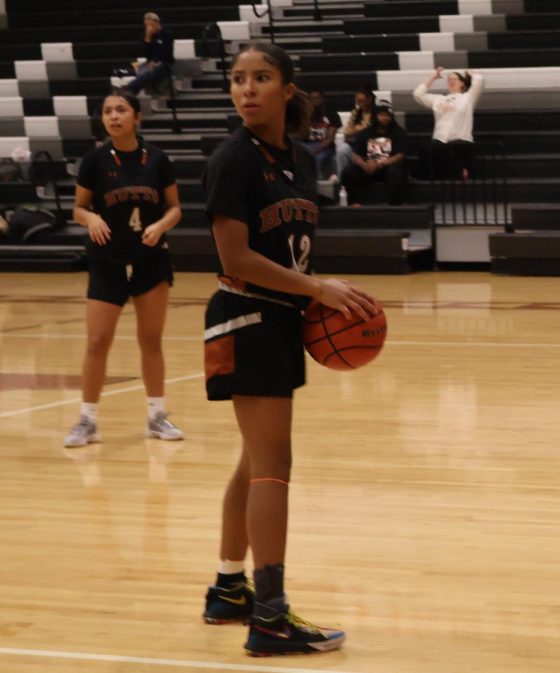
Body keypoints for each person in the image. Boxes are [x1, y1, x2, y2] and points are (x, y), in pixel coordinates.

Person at [199, 41, 377, 656]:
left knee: (254, 461)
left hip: (275, 318)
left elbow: (288, 250)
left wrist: (313, 300)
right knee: (275, 463)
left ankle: (229, 588)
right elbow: (236, 258)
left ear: (286, 89)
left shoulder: (299, 161)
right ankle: (271, 618)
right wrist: (316, 290)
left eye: (261, 77)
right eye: (238, 79)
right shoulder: (232, 159)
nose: (247, 88)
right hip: (243, 315)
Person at [65, 88, 184, 448]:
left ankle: (156, 416)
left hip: (150, 260)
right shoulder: (94, 161)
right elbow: (78, 208)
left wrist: (161, 225)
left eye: (120, 110)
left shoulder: (158, 160)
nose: (113, 116)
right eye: (107, 111)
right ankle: (87, 420)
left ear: (137, 117)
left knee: (150, 340)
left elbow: (175, 208)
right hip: (107, 261)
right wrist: (91, 219)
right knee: (98, 340)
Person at [413, 68, 484, 180]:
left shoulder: (468, 98)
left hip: (461, 139)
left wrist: (470, 73)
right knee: (426, 148)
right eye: (449, 79)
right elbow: (418, 94)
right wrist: (433, 77)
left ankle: (459, 176)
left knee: (453, 148)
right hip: (440, 139)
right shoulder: (439, 99)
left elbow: (479, 80)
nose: (451, 81)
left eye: (455, 79)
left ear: (462, 83)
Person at [339, 101, 408, 206]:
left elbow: (400, 155)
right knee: (349, 172)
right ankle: (354, 202)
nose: (385, 118)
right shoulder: (365, 133)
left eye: (388, 116)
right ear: (376, 116)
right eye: (382, 115)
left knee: (395, 172)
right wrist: (364, 165)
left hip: (388, 167)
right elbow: (355, 155)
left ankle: (395, 205)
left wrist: (381, 164)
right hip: (368, 167)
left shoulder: (399, 133)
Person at [127, 12, 174, 95]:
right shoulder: (145, 35)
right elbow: (144, 54)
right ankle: (131, 91)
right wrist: (147, 38)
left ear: (157, 23)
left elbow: (166, 53)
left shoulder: (167, 34)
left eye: (151, 25)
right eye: (146, 26)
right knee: (140, 70)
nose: (149, 28)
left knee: (150, 71)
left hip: (165, 63)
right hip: (149, 62)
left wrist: (155, 61)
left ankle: (130, 88)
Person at [334, 88, 376, 178]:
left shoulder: (377, 113)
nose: (358, 104)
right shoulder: (355, 112)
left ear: (369, 100)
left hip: (371, 144)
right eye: (357, 101)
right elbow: (348, 132)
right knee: (342, 151)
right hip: (355, 143)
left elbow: (369, 130)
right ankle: (343, 182)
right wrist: (357, 131)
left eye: (361, 101)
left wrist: (356, 130)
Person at [302, 89, 340, 179]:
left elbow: (329, 140)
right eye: (312, 98)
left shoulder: (332, 114)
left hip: (325, 147)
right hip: (308, 145)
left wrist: (315, 151)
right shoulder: (305, 114)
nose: (315, 100)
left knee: (317, 158)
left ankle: (315, 185)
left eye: (317, 98)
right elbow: (301, 135)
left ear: (322, 99)